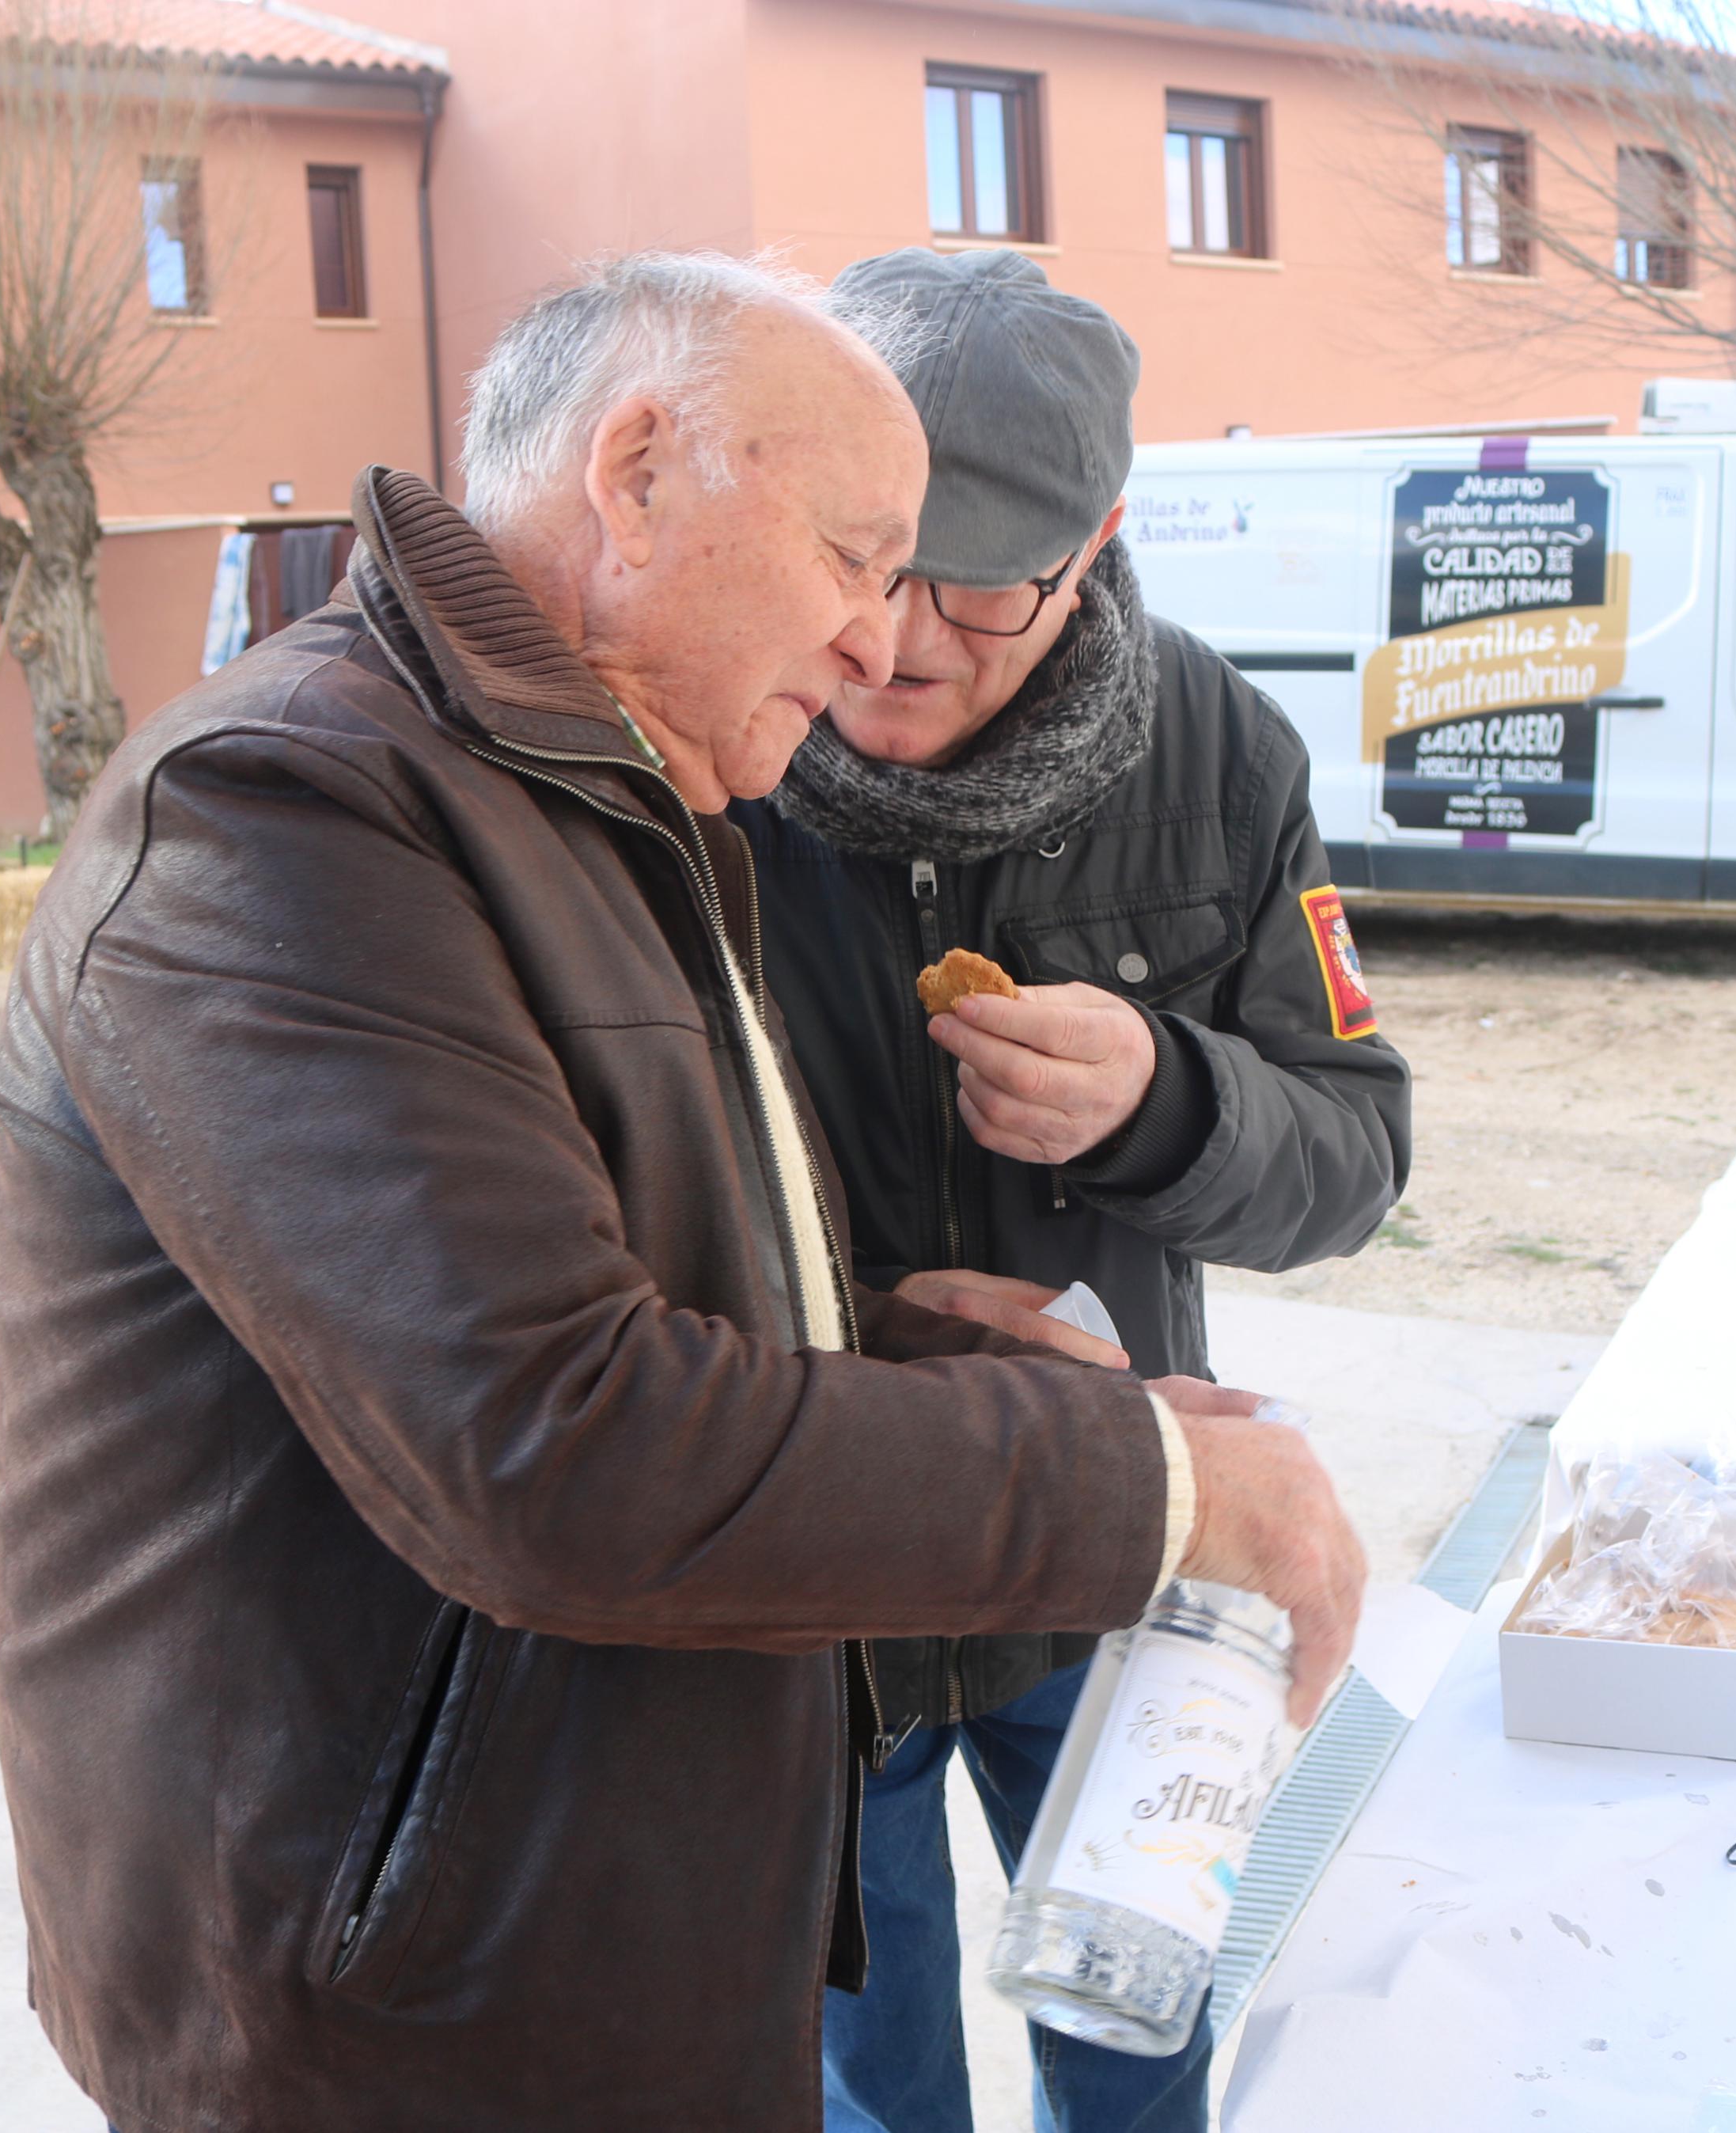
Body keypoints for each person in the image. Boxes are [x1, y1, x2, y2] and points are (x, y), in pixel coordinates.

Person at [0, 252, 1366, 2132]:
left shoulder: (595, 782)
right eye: (859, 556)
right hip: (404, 1999)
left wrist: (942, 1344)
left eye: (939, 581)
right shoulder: (280, 812)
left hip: (591, 1884)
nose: (885, 644)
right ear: (635, 474)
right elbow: (554, 1440)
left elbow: (612, 1258)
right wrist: (1172, 1485)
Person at [730, 248, 1416, 2133]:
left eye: (985, 586)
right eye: (866, 565)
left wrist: (1169, 1102)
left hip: (1111, 1576)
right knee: (860, 2081)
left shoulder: (1221, 752)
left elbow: (1359, 1152)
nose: (899, 641)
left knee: (1135, 2047)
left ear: (1102, 538)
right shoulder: (702, 744)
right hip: (809, 1584)